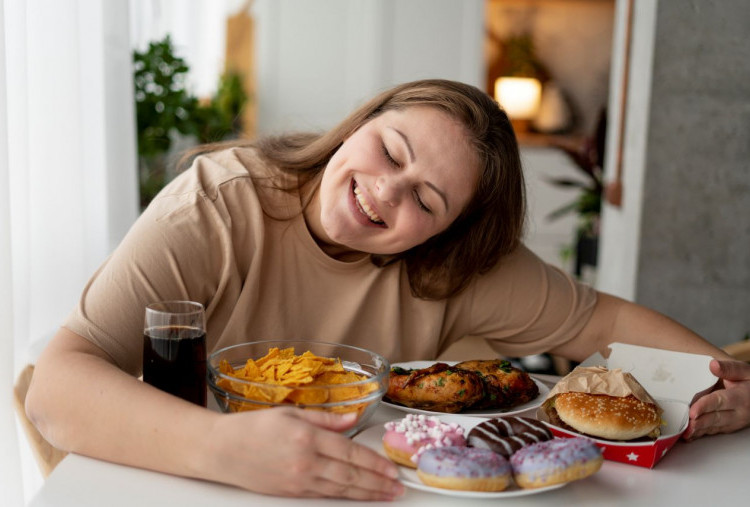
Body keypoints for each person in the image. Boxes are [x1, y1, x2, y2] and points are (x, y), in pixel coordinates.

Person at [26, 79, 750, 500]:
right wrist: (223, 447)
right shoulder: (218, 206)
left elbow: (602, 318)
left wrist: (729, 377)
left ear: (444, 234)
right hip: (184, 478)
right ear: (360, 124)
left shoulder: (458, 266)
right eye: (390, 150)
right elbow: (54, 388)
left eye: (427, 201)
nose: (385, 190)